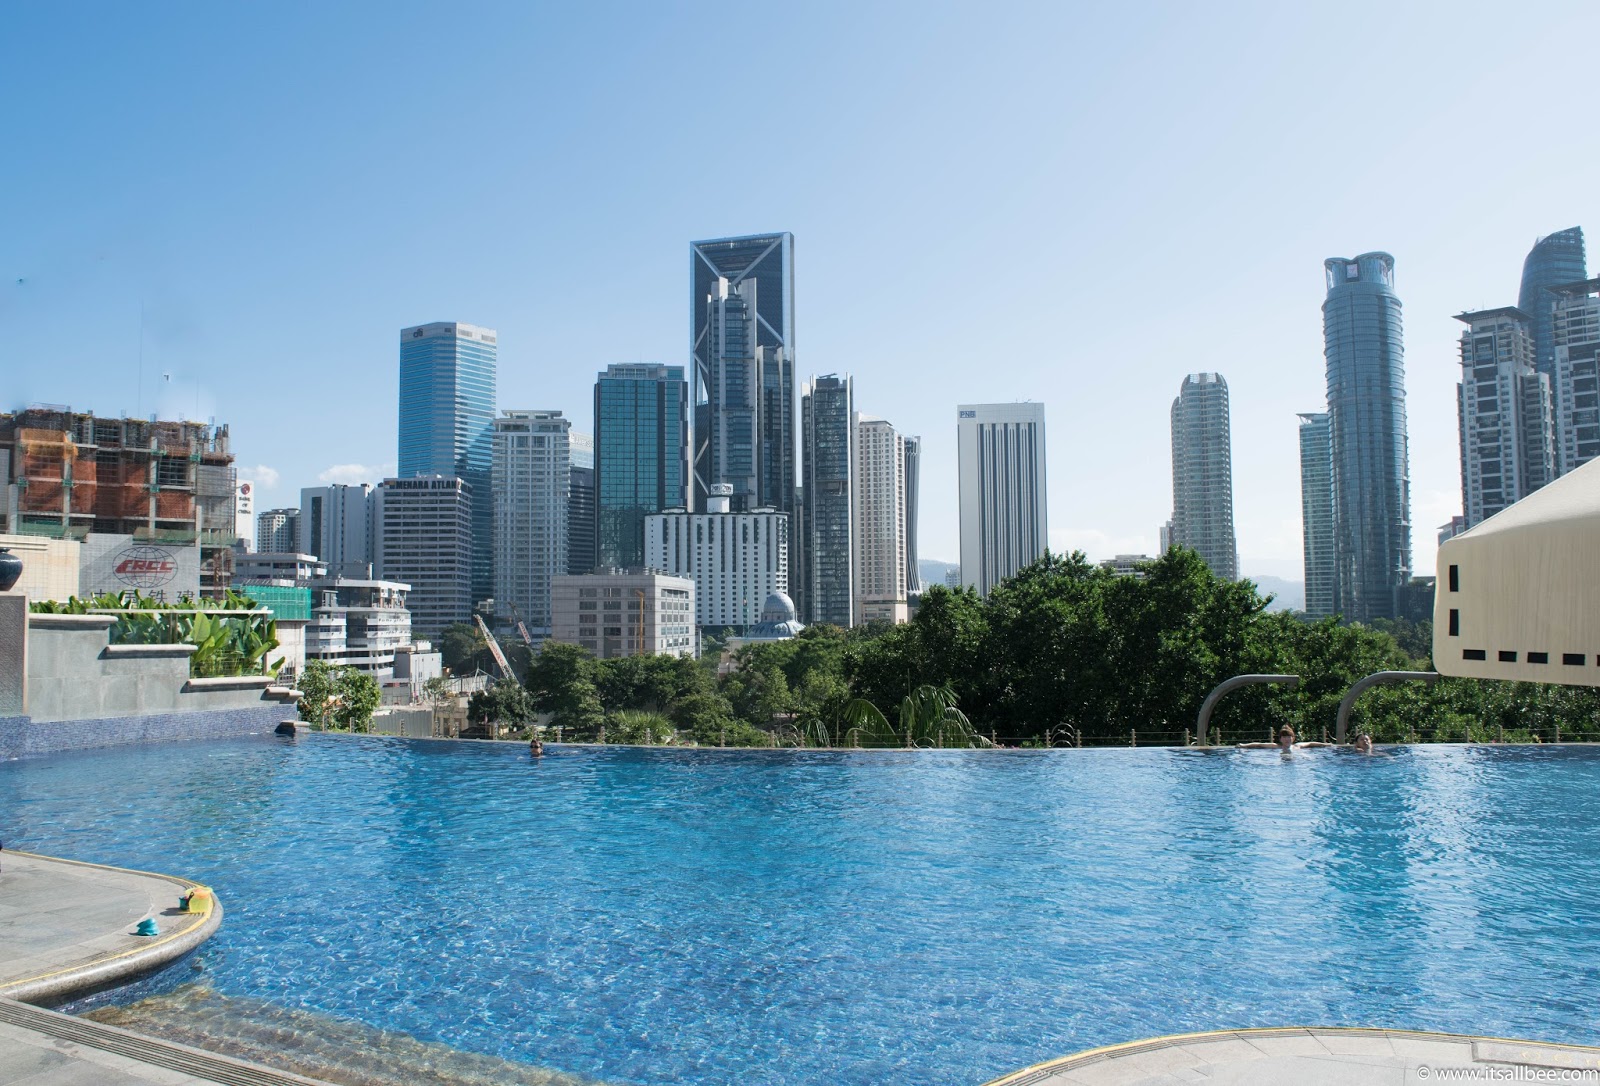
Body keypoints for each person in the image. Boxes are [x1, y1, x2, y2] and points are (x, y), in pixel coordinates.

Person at [1237, 725, 1332, 751]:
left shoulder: (1297, 746)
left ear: (1293, 738)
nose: (1287, 739)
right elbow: (1258, 745)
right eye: (1285, 737)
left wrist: (1326, 744)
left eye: (1289, 737)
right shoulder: (1276, 747)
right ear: (1281, 739)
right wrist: (1244, 745)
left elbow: (1311, 743)